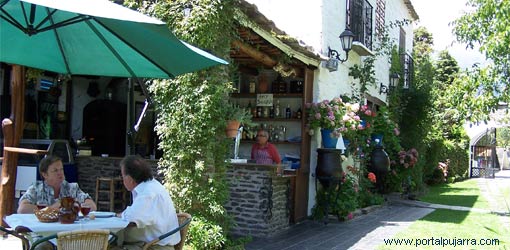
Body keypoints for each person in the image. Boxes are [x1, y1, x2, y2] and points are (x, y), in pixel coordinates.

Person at [113, 155, 180, 250]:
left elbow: (132, 219)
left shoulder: (148, 193)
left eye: (122, 176)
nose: (122, 179)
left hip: (154, 247)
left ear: (130, 178)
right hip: (150, 243)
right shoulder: (149, 186)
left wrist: (117, 216)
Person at [18, 155, 96, 214]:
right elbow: (22, 209)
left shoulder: (72, 188)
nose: (60, 173)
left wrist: (72, 208)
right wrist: (51, 209)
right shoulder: (36, 188)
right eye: (55, 170)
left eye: (61, 169)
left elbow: (92, 206)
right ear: (45, 174)